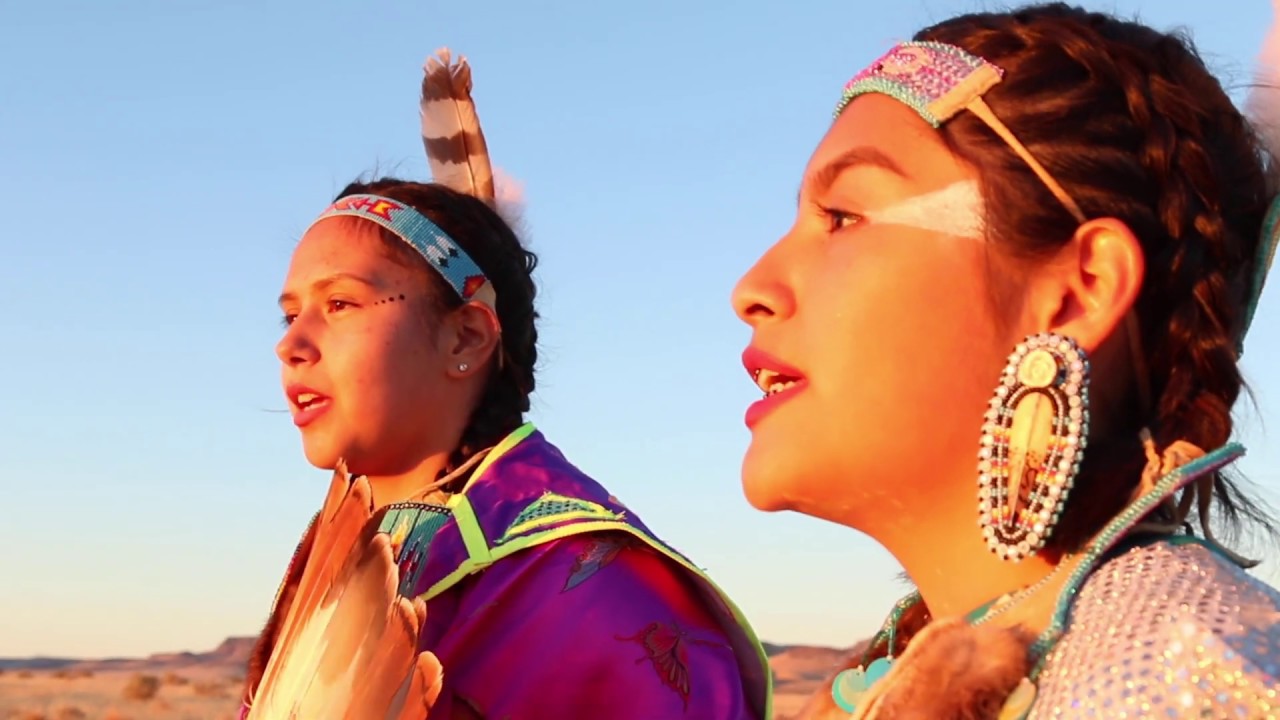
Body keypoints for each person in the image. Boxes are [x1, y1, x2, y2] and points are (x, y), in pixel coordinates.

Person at [731, 3, 1280, 718]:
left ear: (1080, 290)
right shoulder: (908, 673)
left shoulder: (1183, 681)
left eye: (842, 215)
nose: (752, 289)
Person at [239, 50, 771, 719]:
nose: (291, 344)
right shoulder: (335, 561)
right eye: (290, 315)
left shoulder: (599, 596)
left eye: (340, 304)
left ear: (464, 338)